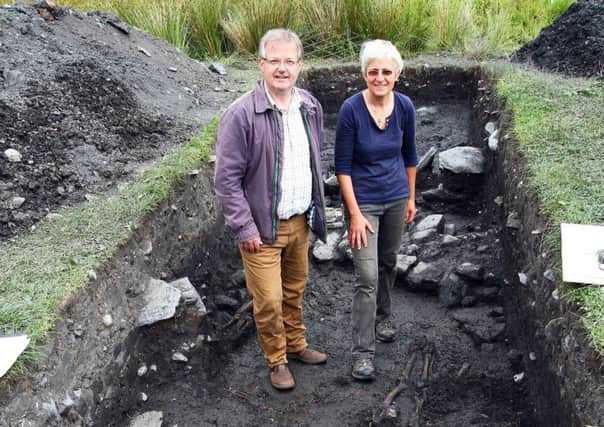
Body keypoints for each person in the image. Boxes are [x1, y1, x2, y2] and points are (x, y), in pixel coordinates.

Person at [214, 29, 328, 391]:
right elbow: (226, 179)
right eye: (274, 61)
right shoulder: (241, 114)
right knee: (269, 300)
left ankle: (296, 345)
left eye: (289, 61)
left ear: (299, 65)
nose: (282, 68)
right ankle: (277, 360)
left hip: (299, 221)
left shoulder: (309, 105)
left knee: (295, 289)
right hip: (262, 229)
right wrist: (244, 228)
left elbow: (315, 158)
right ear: (261, 64)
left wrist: (315, 211)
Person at [334, 39, 418, 381]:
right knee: (366, 276)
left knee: (388, 262)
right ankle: (363, 353)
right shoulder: (351, 110)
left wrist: (411, 198)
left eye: (386, 71)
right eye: (373, 71)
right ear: (364, 74)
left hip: (397, 197)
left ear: (396, 73)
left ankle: (384, 317)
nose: (380, 77)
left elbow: (410, 155)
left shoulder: (405, 107)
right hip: (364, 203)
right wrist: (354, 214)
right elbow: (342, 167)